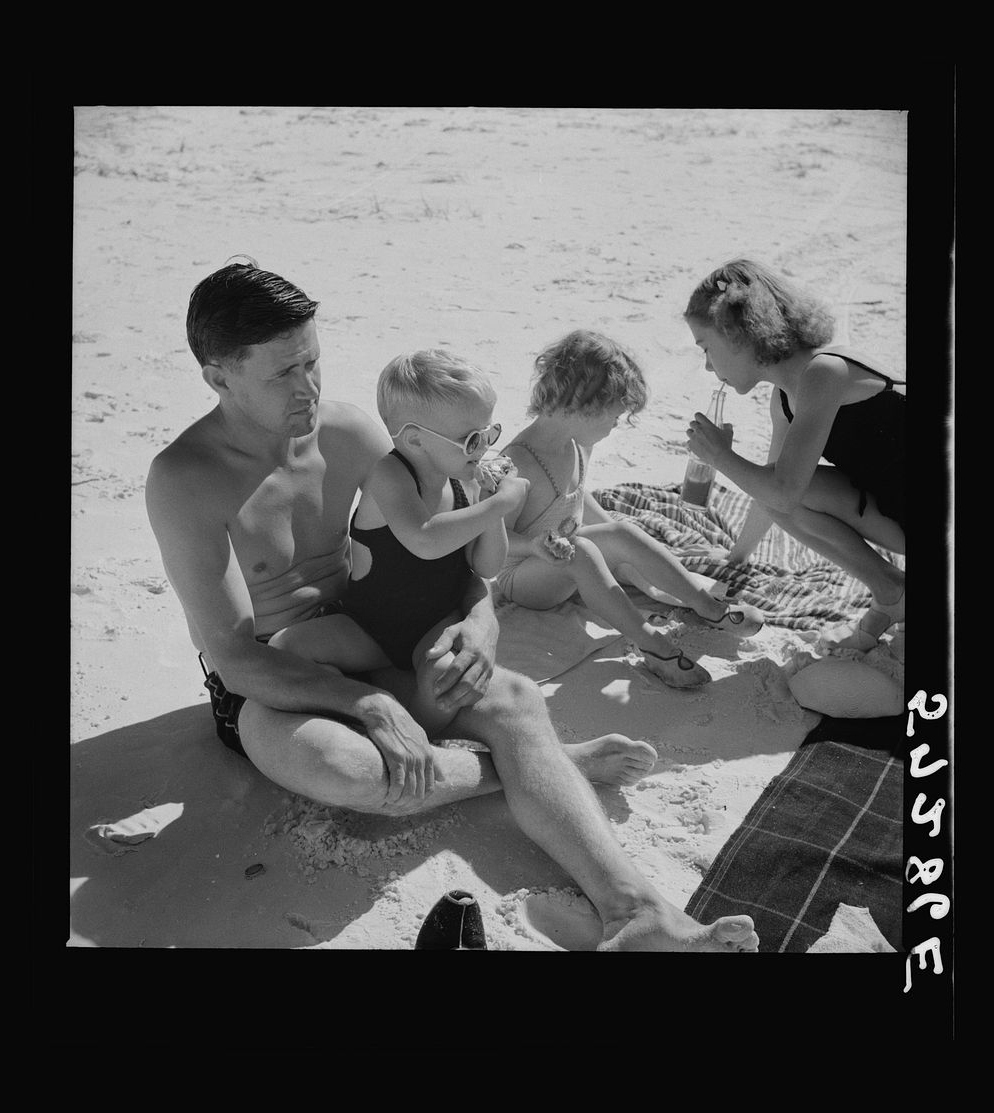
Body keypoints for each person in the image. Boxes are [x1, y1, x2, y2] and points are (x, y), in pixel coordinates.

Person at [145, 258, 759, 952]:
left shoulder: (348, 433)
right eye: (284, 372)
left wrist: (479, 619)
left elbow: (449, 556)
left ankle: (641, 912)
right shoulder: (184, 479)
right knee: (352, 772)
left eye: (313, 360)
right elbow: (233, 658)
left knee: (517, 699)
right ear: (219, 376)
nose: (309, 384)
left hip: (383, 640)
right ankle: (547, 766)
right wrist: (366, 705)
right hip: (273, 689)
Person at [269, 349, 531, 739]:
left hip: (436, 621)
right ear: (415, 440)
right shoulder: (390, 474)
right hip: (369, 625)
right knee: (284, 647)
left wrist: (492, 510)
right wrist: (502, 504)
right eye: (472, 439)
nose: (484, 449)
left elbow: (488, 567)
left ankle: (419, 735)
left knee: (446, 679)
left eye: (490, 433)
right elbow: (424, 539)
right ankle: (356, 709)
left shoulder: (468, 478)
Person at [496, 329, 764, 689]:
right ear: (584, 405)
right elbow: (494, 540)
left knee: (620, 530)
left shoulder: (576, 444)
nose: (614, 427)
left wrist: (622, 541)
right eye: (614, 417)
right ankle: (653, 646)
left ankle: (708, 607)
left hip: (568, 556)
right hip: (526, 580)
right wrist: (534, 547)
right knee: (585, 549)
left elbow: (574, 498)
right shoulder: (518, 463)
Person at [682, 259, 905, 649]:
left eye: (706, 348)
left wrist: (720, 456)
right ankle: (893, 590)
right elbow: (772, 491)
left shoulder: (826, 372)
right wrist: (736, 559)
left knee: (785, 491)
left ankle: (892, 593)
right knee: (780, 490)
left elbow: (783, 491)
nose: (706, 365)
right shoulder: (784, 397)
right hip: (900, 508)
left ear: (738, 334)